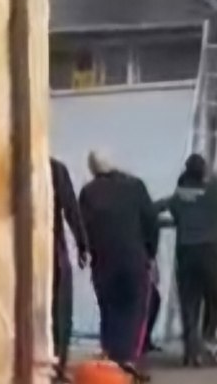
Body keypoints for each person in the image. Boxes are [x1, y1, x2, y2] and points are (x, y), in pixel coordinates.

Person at [157, 154, 217, 366]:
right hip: (212, 255)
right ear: (203, 172)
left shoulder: (180, 195)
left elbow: (159, 207)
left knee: (189, 305)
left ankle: (192, 354)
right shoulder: (214, 193)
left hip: (186, 257)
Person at [78, 151, 160, 381]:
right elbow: (151, 222)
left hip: (103, 262)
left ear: (93, 170)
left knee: (109, 311)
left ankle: (110, 361)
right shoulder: (135, 186)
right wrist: (150, 253)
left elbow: (83, 225)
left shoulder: (88, 193)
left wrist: (86, 251)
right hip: (134, 260)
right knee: (135, 311)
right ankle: (128, 362)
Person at [51, 158, 89, 383]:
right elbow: (71, 210)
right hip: (52, 252)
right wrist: (82, 244)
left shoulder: (6, 164)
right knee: (60, 311)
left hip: (15, 254)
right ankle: (57, 365)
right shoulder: (55, 169)